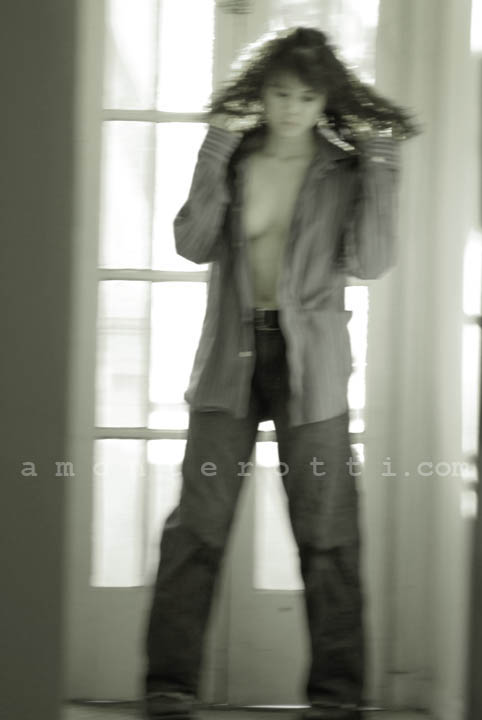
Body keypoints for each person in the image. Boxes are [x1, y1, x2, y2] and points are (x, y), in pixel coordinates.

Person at [142, 26, 420, 720]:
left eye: (305, 96)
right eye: (279, 94)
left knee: (328, 536)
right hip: (230, 359)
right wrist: (214, 144)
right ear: (260, 95)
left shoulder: (344, 170)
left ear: (325, 100)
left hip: (312, 367)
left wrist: (382, 162)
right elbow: (191, 242)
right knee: (196, 530)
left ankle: (337, 697)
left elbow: (373, 260)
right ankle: (169, 687)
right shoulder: (237, 161)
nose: (291, 108)